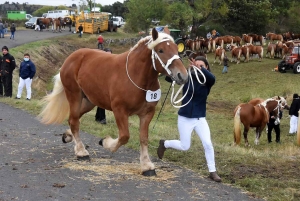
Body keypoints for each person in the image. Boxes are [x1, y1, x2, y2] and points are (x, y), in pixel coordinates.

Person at [157, 56, 221, 182]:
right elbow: (170, 78)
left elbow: (212, 78)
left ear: (206, 67)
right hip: (185, 117)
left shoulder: (207, 81)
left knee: (208, 143)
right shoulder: (187, 77)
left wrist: (200, 69)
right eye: (196, 65)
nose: (198, 68)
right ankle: (164, 144)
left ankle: (212, 172)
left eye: (202, 66)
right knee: (185, 146)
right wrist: (173, 69)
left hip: (199, 118)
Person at [95, 48, 112, 124]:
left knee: (101, 102)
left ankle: (98, 117)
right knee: (102, 101)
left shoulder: (112, 64)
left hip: (107, 85)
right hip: (99, 84)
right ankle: (102, 118)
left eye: (110, 54)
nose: (109, 56)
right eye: (107, 54)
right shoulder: (100, 63)